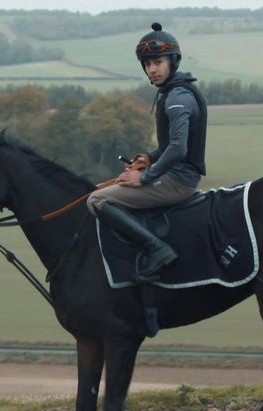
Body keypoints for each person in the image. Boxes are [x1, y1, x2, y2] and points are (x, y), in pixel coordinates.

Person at [87, 22, 208, 279]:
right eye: (147, 64)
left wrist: (144, 177)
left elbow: (178, 148)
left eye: (158, 62)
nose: (152, 69)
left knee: (97, 200)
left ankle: (157, 249)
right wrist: (149, 158)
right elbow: (168, 147)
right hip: (173, 175)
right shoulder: (174, 92)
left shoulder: (177, 98)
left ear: (172, 62)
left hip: (178, 182)